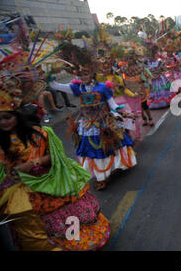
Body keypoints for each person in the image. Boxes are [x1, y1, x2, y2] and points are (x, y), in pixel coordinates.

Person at [0, 58, 110, 251]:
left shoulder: (101, 87)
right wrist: (49, 77)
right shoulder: (76, 89)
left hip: (98, 123)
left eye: (6, 117)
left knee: (100, 151)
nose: (2, 122)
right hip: (20, 190)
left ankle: (103, 177)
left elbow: (54, 158)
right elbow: (59, 86)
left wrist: (117, 113)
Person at [50, 44, 137, 191]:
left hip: (104, 121)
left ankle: (109, 172)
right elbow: (56, 86)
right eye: (80, 75)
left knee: (109, 146)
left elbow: (113, 104)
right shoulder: (77, 88)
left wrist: (123, 113)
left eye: (86, 74)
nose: (83, 77)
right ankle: (100, 176)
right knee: (91, 149)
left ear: (91, 74)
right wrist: (46, 78)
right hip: (87, 124)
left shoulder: (103, 87)